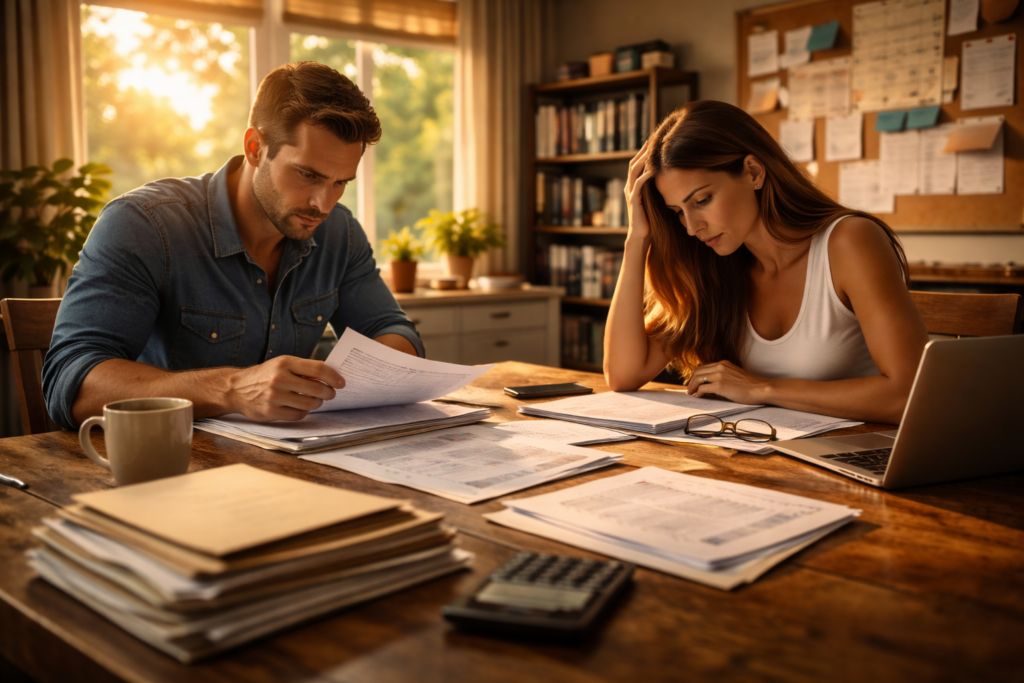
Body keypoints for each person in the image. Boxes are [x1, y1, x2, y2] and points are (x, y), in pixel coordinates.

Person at [43, 61, 423, 430]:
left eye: (341, 182)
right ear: (255, 147)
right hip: (162, 466)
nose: (323, 204)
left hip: (289, 467)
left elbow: (390, 328)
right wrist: (232, 389)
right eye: (308, 175)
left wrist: (371, 374)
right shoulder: (143, 225)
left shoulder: (340, 233)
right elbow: (72, 381)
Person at [605, 100, 928, 425]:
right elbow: (622, 375)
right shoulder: (712, 266)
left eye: (702, 200)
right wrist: (636, 239)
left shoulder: (849, 242)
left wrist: (762, 388)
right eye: (678, 212)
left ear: (753, 172)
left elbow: (909, 393)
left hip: (859, 454)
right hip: (765, 452)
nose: (691, 227)